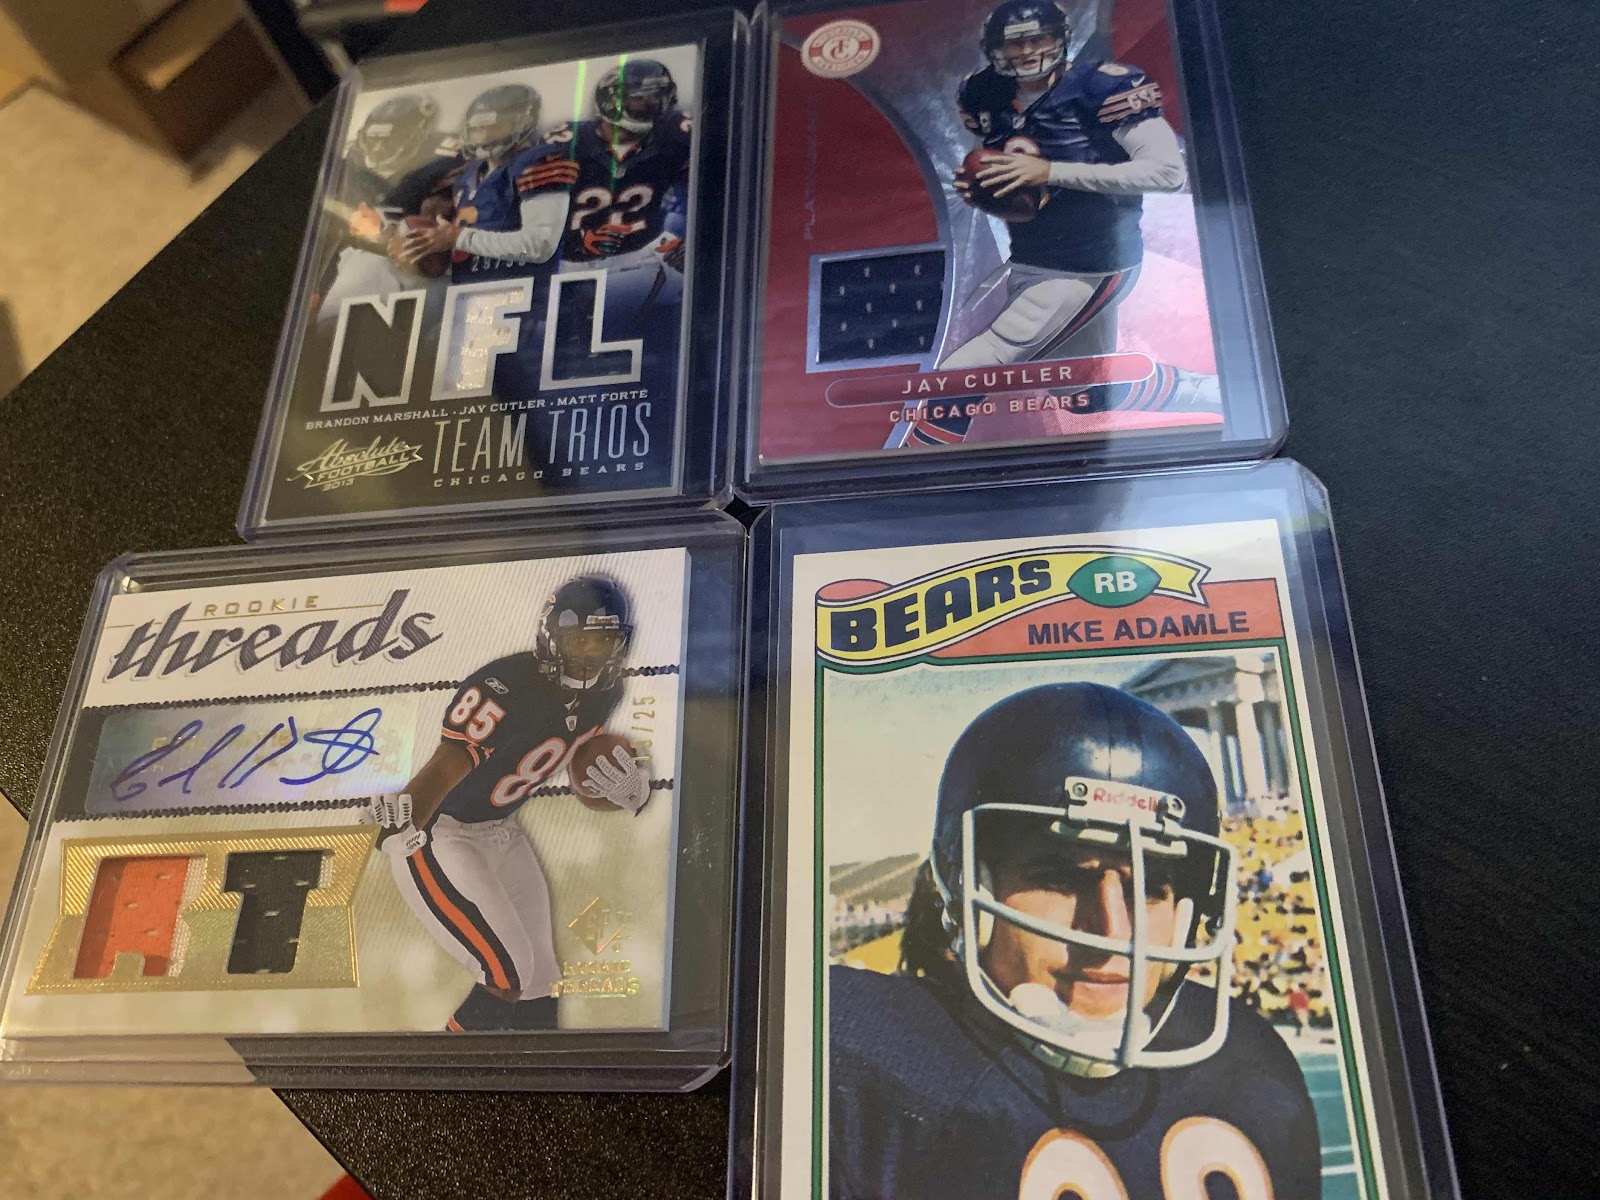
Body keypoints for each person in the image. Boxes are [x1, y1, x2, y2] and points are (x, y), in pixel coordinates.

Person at [831, 682, 1319, 1198]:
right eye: (1059, 879)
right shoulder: (858, 1060)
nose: (1113, 934)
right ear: (964, 883)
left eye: (1149, 887)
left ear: (1188, 911)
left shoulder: (1252, 1066)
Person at [888, 0, 1216, 449]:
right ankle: (1210, 393)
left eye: (1037, 38)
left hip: (1090, 262)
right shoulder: (983, 92)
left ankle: (918, 469)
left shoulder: (1103, 87)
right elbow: (1022, 189)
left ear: (1060, 38)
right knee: (1082, 392)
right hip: (1032, 257)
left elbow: (1166, 172)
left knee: (959, 377)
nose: (1026, 51)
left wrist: (1050, 172)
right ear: (993, 50)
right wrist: (986, 192)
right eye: (1013, 43)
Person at [367, 576, 651, 1031]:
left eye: (603, 641)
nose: (590, 654)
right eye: (579, 640)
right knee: (507, 973)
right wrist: (406, 816)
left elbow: (584, 776)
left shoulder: (607, 692)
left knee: (540, 980)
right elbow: (446, 766)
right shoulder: (506, 686)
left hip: (502, 830)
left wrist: (631, 792)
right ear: (552, 638)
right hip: (439, 834)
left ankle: (541, 1071)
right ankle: (442, 1072)